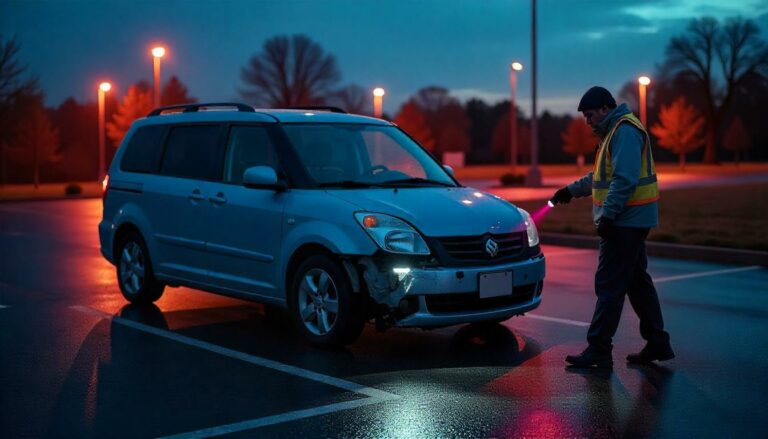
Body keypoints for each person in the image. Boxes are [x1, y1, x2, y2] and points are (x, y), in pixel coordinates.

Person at [550, 86, 674, 368]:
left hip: (625, 221)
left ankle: (599, 348)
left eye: (590, 114)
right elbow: (601, 176)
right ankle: (657, 341)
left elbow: (625, 179)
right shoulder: (615, 132)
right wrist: (569, 191)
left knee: (609, 284)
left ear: (605, 109)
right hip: (630, 220)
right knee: (636, 283)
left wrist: (608, 215)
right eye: (584, 116)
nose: (587, 121)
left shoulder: (624, 131)